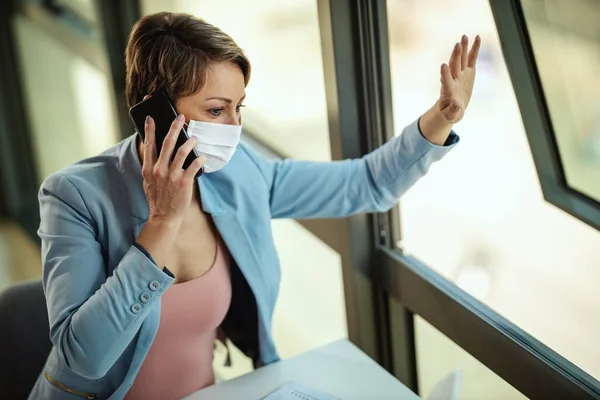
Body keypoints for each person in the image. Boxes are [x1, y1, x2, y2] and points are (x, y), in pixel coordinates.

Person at [29, 11, 481, 400]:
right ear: (155, 113)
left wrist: (440, 118)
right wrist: (163, 221)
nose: (234, 128)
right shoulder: (73, 196)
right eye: (216, 110)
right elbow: (83, 356)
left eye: (238, 107)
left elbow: (362, 185)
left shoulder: (237, 171)